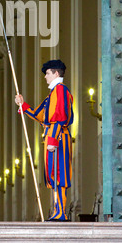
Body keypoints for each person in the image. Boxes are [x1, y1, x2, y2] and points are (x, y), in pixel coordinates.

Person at [15, 59, 73, 222]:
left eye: (47, 73)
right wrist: (23, 105)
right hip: (53, 137)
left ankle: (61, 211)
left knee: (60, 175)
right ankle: (57, 209)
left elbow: (59, 118)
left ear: (56, 73)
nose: (45, 77)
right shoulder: (52, 94)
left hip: (58, 137)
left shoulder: (61, 91)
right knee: (53, 175)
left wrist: (53, 140)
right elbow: (40, 115)